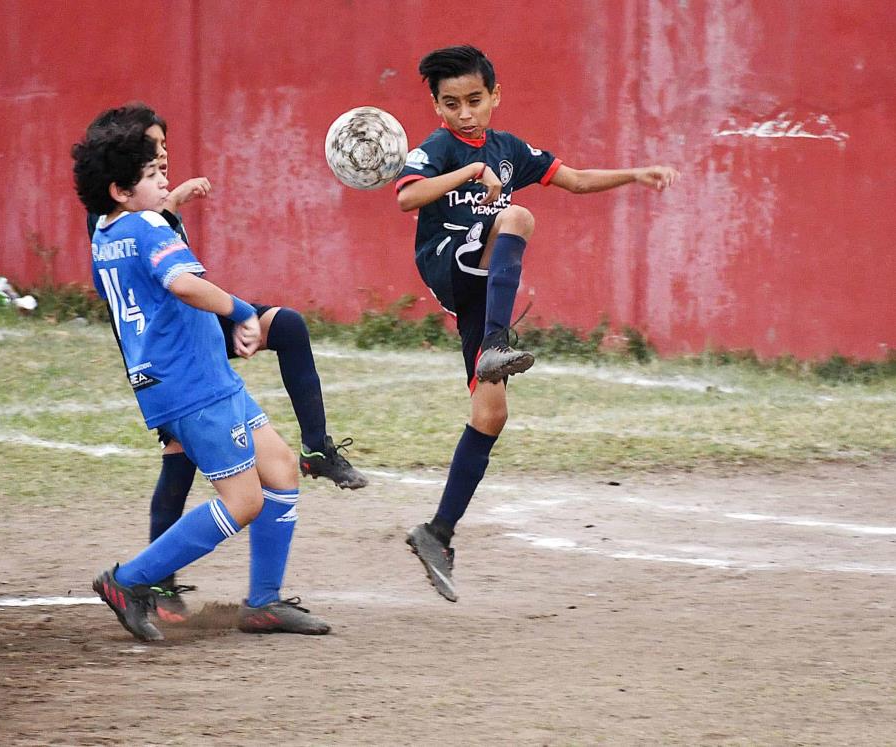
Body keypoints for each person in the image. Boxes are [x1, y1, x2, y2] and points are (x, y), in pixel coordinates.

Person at [395, 45, 679, 602]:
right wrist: (466, 173)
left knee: (491, 412)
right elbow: (407, 197)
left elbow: (572, 178)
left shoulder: (508, 150)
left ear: (495, 96)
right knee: (518, 216)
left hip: (480, 287)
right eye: (451, 103)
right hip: (447, 259)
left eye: (475, 100)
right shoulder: (437, 148)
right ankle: (499, 342)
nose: (465, 113)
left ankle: (437, 533)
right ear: (436, 107)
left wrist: (634, 174)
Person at [83, 104, 367, 623]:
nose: (162, 181)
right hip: (191, 385)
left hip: (200, 378)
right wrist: (240, 312)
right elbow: (183, 283)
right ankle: (128, 582)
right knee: (244, 501)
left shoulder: (105, 233)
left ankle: (263, 604)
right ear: (121, 191)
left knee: (280, 469)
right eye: (152, 175)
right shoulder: (146, 226)